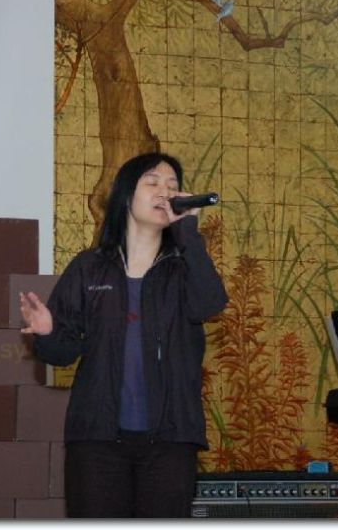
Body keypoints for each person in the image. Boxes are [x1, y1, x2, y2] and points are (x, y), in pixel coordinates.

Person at [19, 152, 228, 517]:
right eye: (153, 182)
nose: (165, 192)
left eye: (173, 186)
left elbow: (209, 304)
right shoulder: (89, 267)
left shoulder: (183, 268)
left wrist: (188, 233)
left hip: (171, 439)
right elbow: (60, 354)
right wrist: (48, 332)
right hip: (97, 440)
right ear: (126, 195)